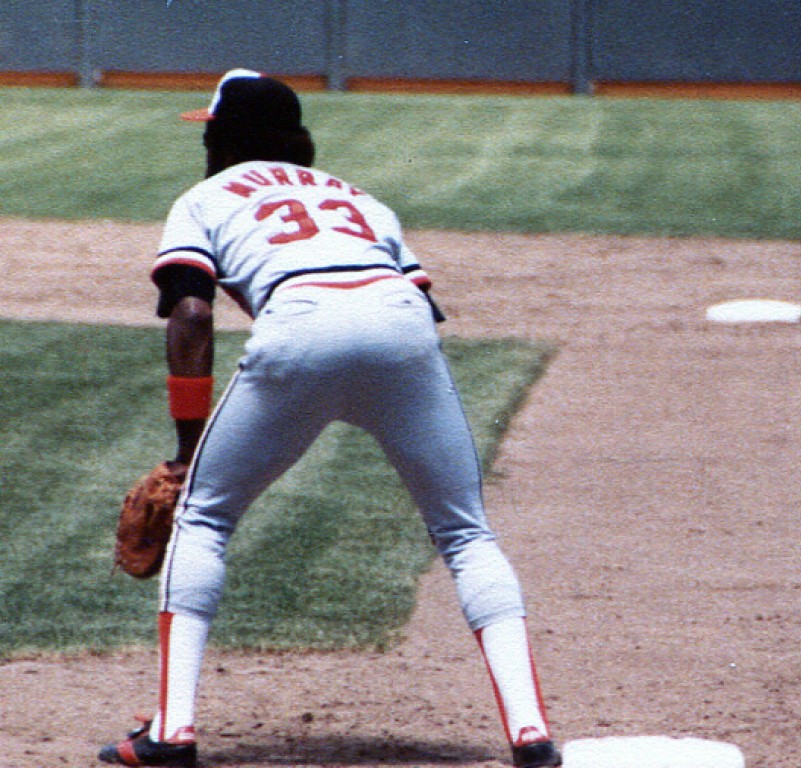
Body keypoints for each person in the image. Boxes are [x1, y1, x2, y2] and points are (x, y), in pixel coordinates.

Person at [100, 70, 561, 768]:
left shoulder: (202, 198)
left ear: (222, 138)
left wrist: (188, 446)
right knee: (465, 533)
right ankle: (531, 735)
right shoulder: (361, 199)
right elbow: (416, 308)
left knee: (202, 517)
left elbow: (192, 313)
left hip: (301, 327)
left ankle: (173, 730)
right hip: (403, 331)